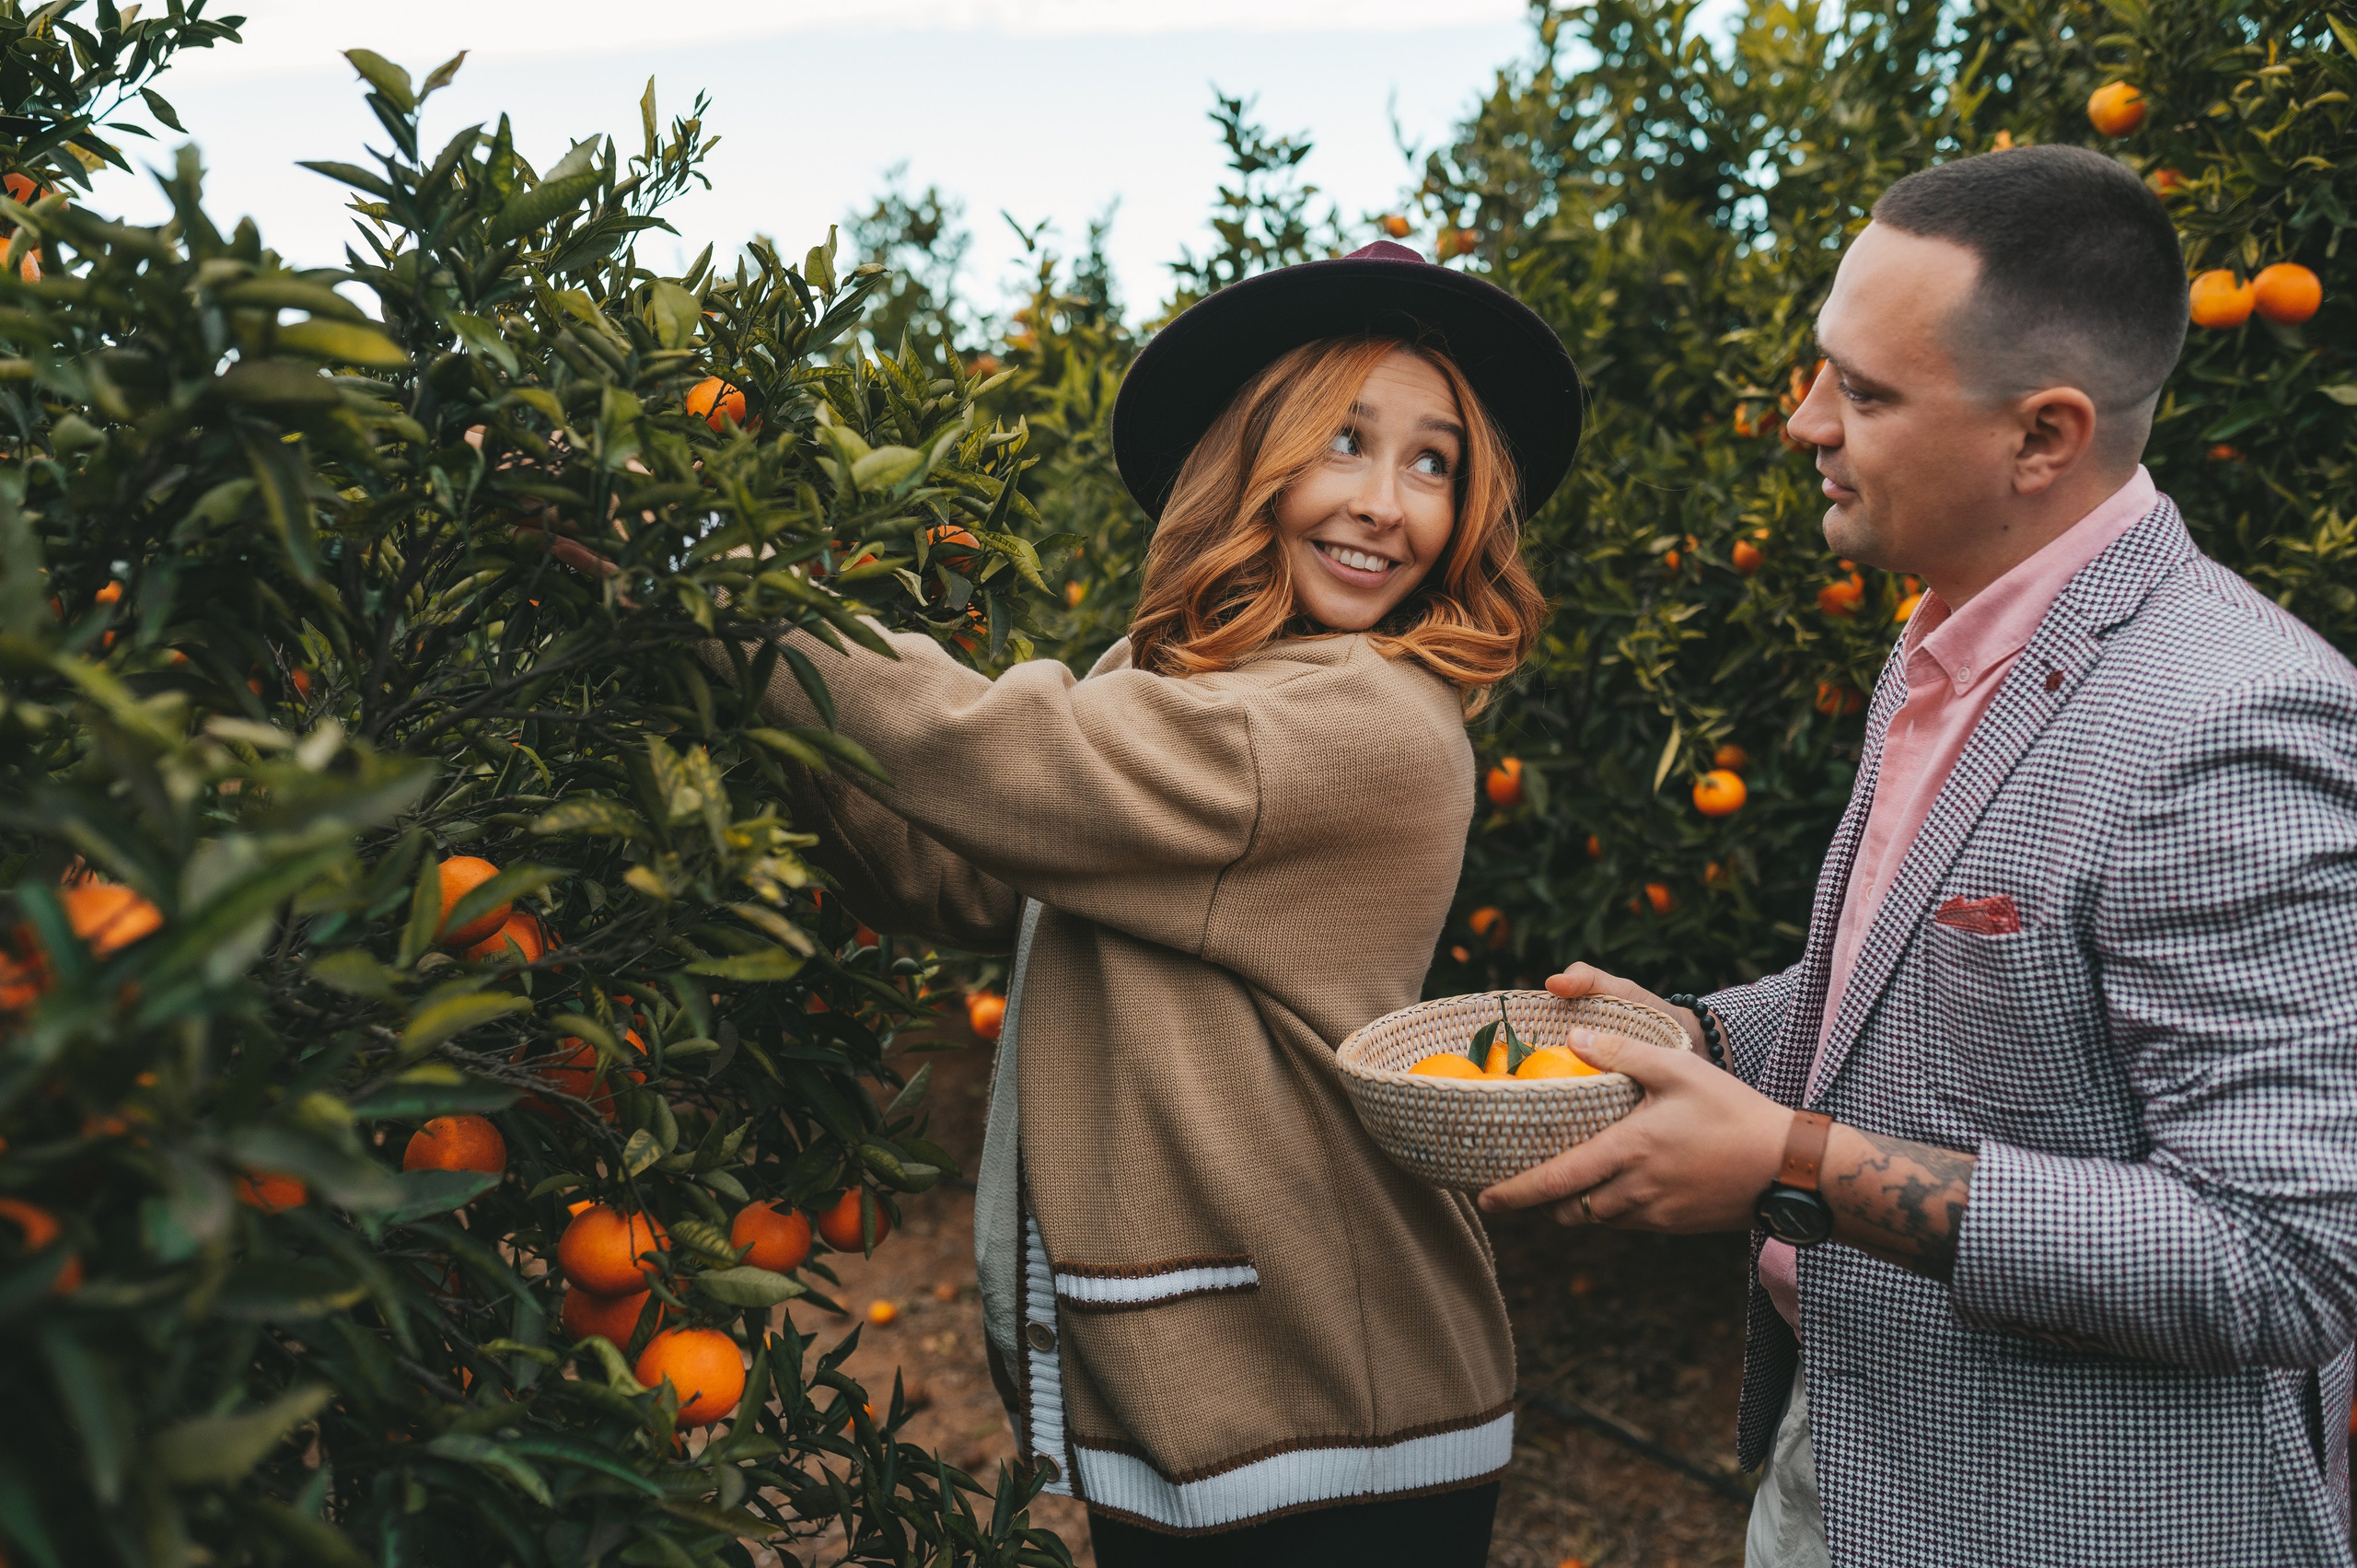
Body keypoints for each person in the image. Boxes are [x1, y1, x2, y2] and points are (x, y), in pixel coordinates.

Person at [1481, 145, 2357, 1567]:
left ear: (2042, 438)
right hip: (1858, 1441)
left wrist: (1789, 1163)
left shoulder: (2228, 720)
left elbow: (2280, 1251)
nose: (1801, 422)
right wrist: (1698, 1036)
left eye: (1866, 392)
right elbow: (1890, 993)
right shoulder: (1948, 640)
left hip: (2062, 1516)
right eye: (1820, 368)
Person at [737, 240, 1581, 1564]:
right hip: (1234, 1382)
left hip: (1327, 1408)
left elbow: (999, 756)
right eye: (1342, 443)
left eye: (1434, 462)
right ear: (1249, 460)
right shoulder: (1195, 684)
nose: (1383, 503)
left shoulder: (1373, 720)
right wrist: (763, 721)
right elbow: (957, 872)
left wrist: (742, 611)